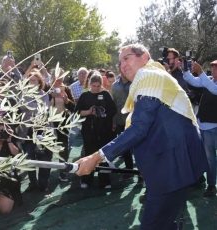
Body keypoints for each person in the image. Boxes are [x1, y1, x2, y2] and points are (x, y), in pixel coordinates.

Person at [75, 44, 208, 229]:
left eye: (126, 58)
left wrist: (96, 157)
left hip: (171, 169)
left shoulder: (148, 76)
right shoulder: (152, 77)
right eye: (119, 62)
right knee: (166, 222)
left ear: (144, 56)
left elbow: (139, 128)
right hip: (173, 167)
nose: (122, 65)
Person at [75, 73, 117, 189]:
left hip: (104, 130)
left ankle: (105, 181)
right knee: (89, 155)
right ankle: (86, 179)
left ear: (101, 85)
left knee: (103, 156)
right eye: (94, 86)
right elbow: (77, 112)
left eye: (98, 86)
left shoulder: (105, 94)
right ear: (89, 84)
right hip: (89, 130)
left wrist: (103, 113)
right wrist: (89, 112)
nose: (96, 88)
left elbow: (113, 110)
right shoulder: (84, 96)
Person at [183, 60, 217, 197]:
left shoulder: (209, 82)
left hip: (213, 127)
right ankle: (209, 183)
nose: (213, 70)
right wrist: (185, 69)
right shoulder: (208, 80)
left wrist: (201, 72)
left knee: (210, 158)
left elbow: (214, 90)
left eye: (216, 68)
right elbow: (194, 81)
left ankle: (211, 185)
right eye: (213, 67)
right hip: (203, 126)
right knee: (208, 158)